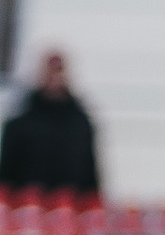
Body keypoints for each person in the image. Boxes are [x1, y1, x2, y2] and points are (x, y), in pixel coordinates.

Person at [0, 47, 101, 196]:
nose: (54, 77)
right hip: (28, 203)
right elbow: (6, 173)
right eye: (50, 70)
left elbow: (90, 173)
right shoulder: (20, 122)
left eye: (58, 70)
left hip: (69, 202)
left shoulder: (80, 124)